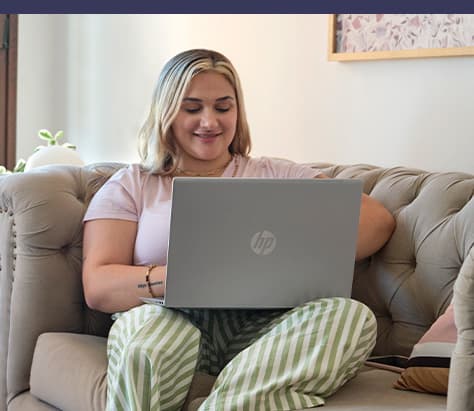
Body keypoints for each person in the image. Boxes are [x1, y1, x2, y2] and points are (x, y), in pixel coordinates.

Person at [82, 49, 396, 411]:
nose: (209, 121)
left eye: (222, 107)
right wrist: (185, 278)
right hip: (169, 316)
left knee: (351, 316)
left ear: (237, 111)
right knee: (151, 340)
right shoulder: (131, 184)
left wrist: (290, 257)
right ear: (167, 111)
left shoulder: (277, 173)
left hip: (265, 329)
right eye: (192, 107)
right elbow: (99, 285)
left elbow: (378, 222)